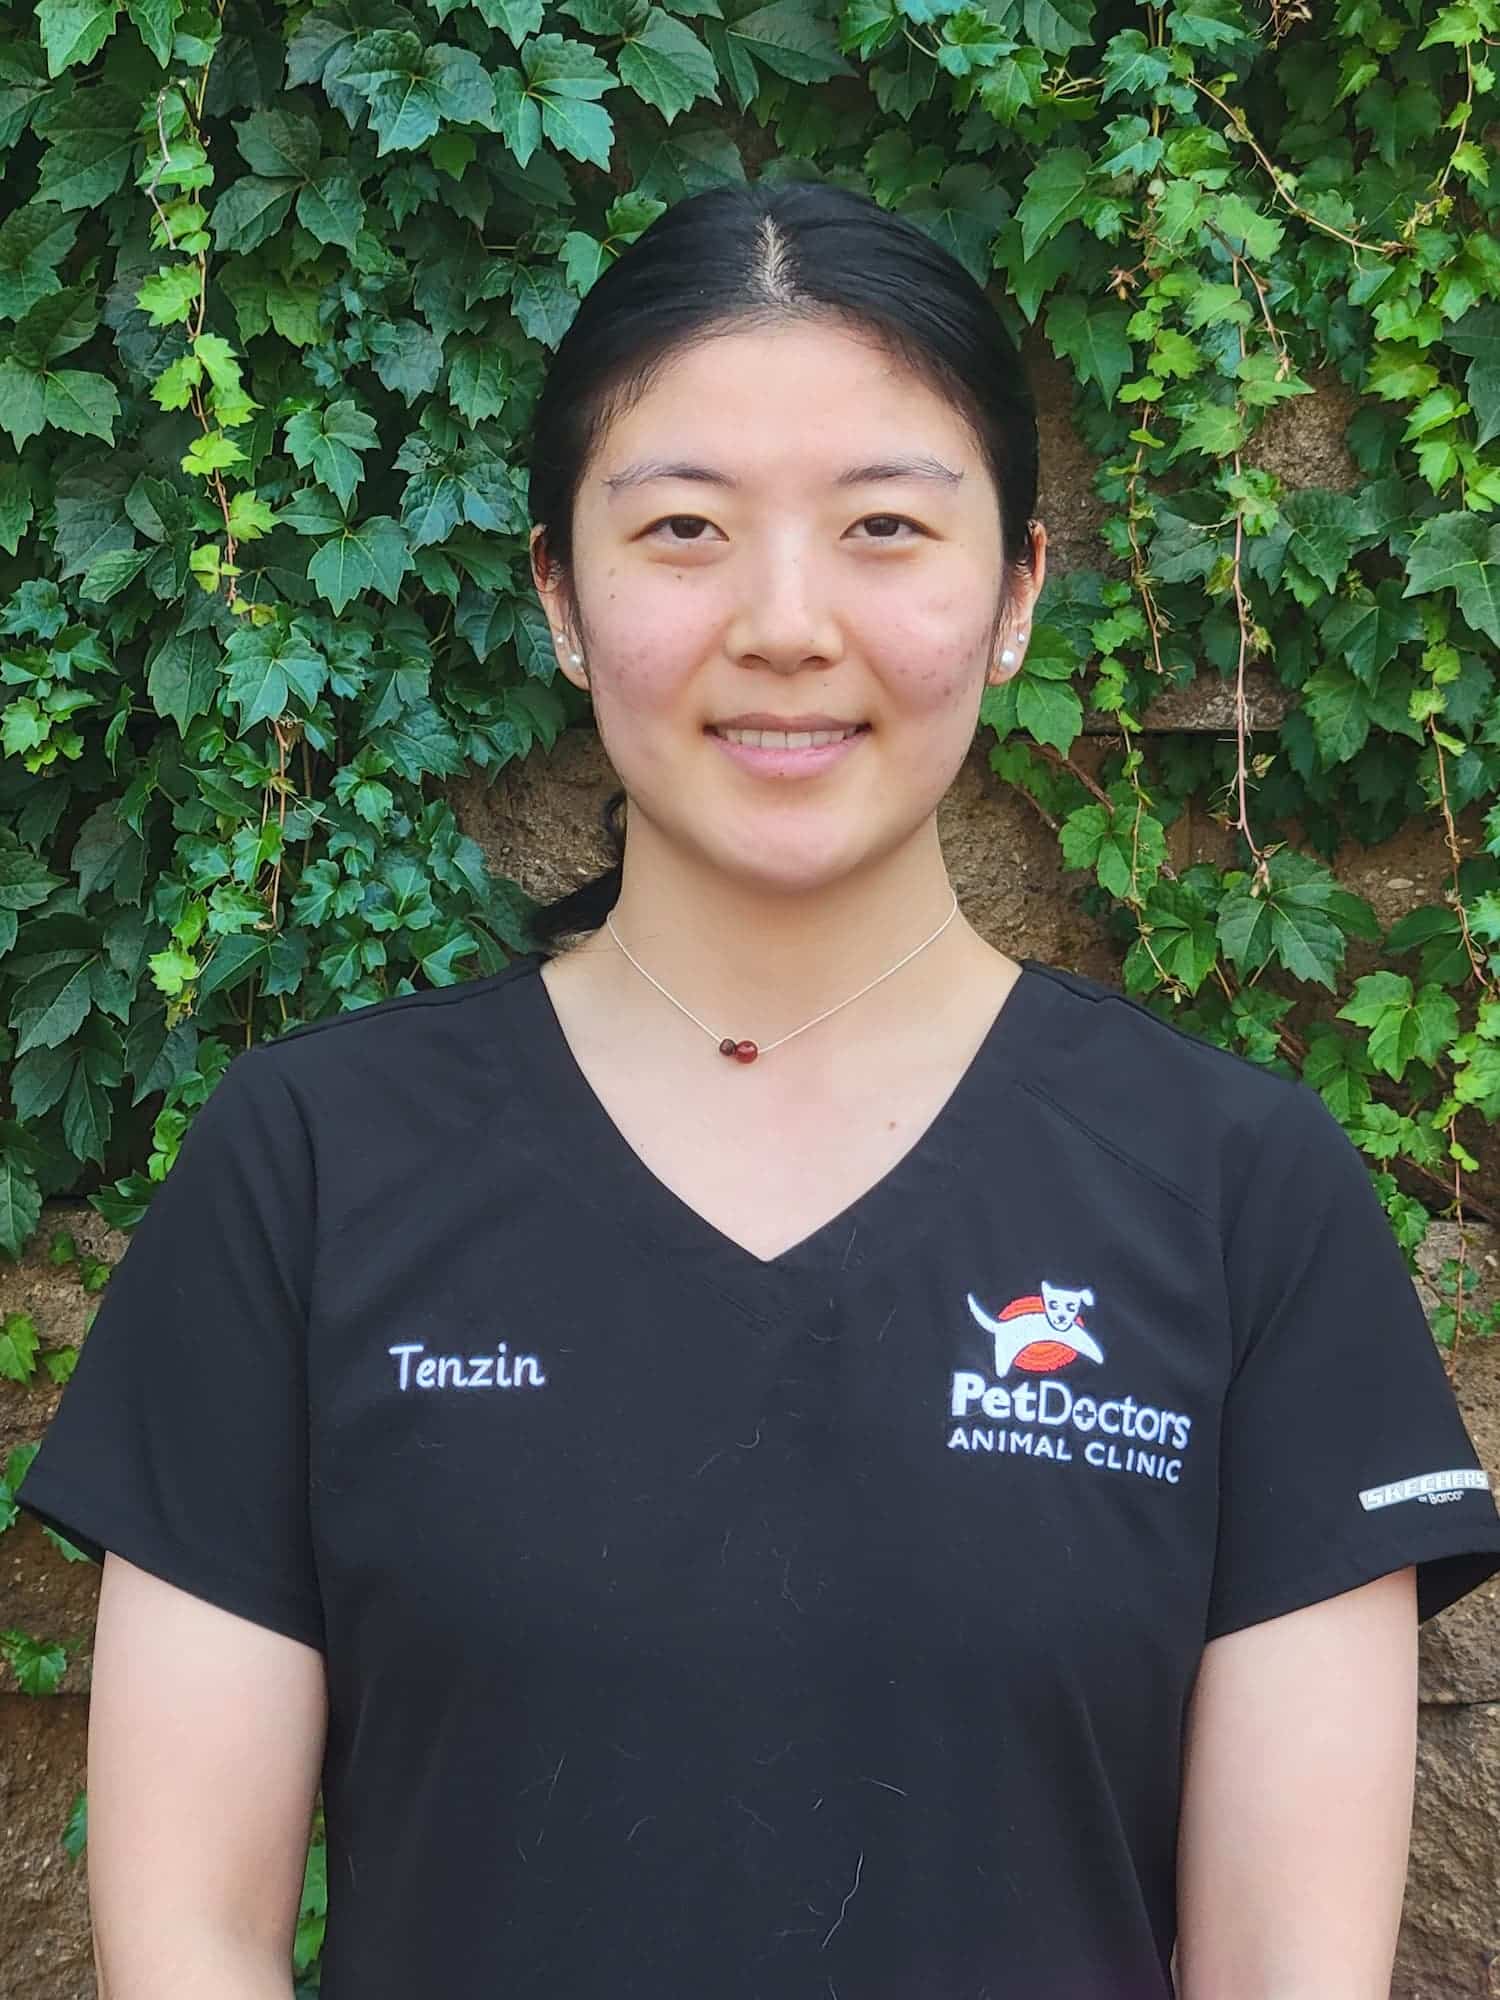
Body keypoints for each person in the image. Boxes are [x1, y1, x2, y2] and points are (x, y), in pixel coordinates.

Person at [17, 179, 1500, 2000]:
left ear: (1017, 594)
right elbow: (191, 1940)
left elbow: (1286, 1966)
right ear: (560, 597)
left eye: (885, 526)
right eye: (685, 530)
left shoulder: (1241, 1192)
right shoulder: (310, 1167)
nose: (787, 621)